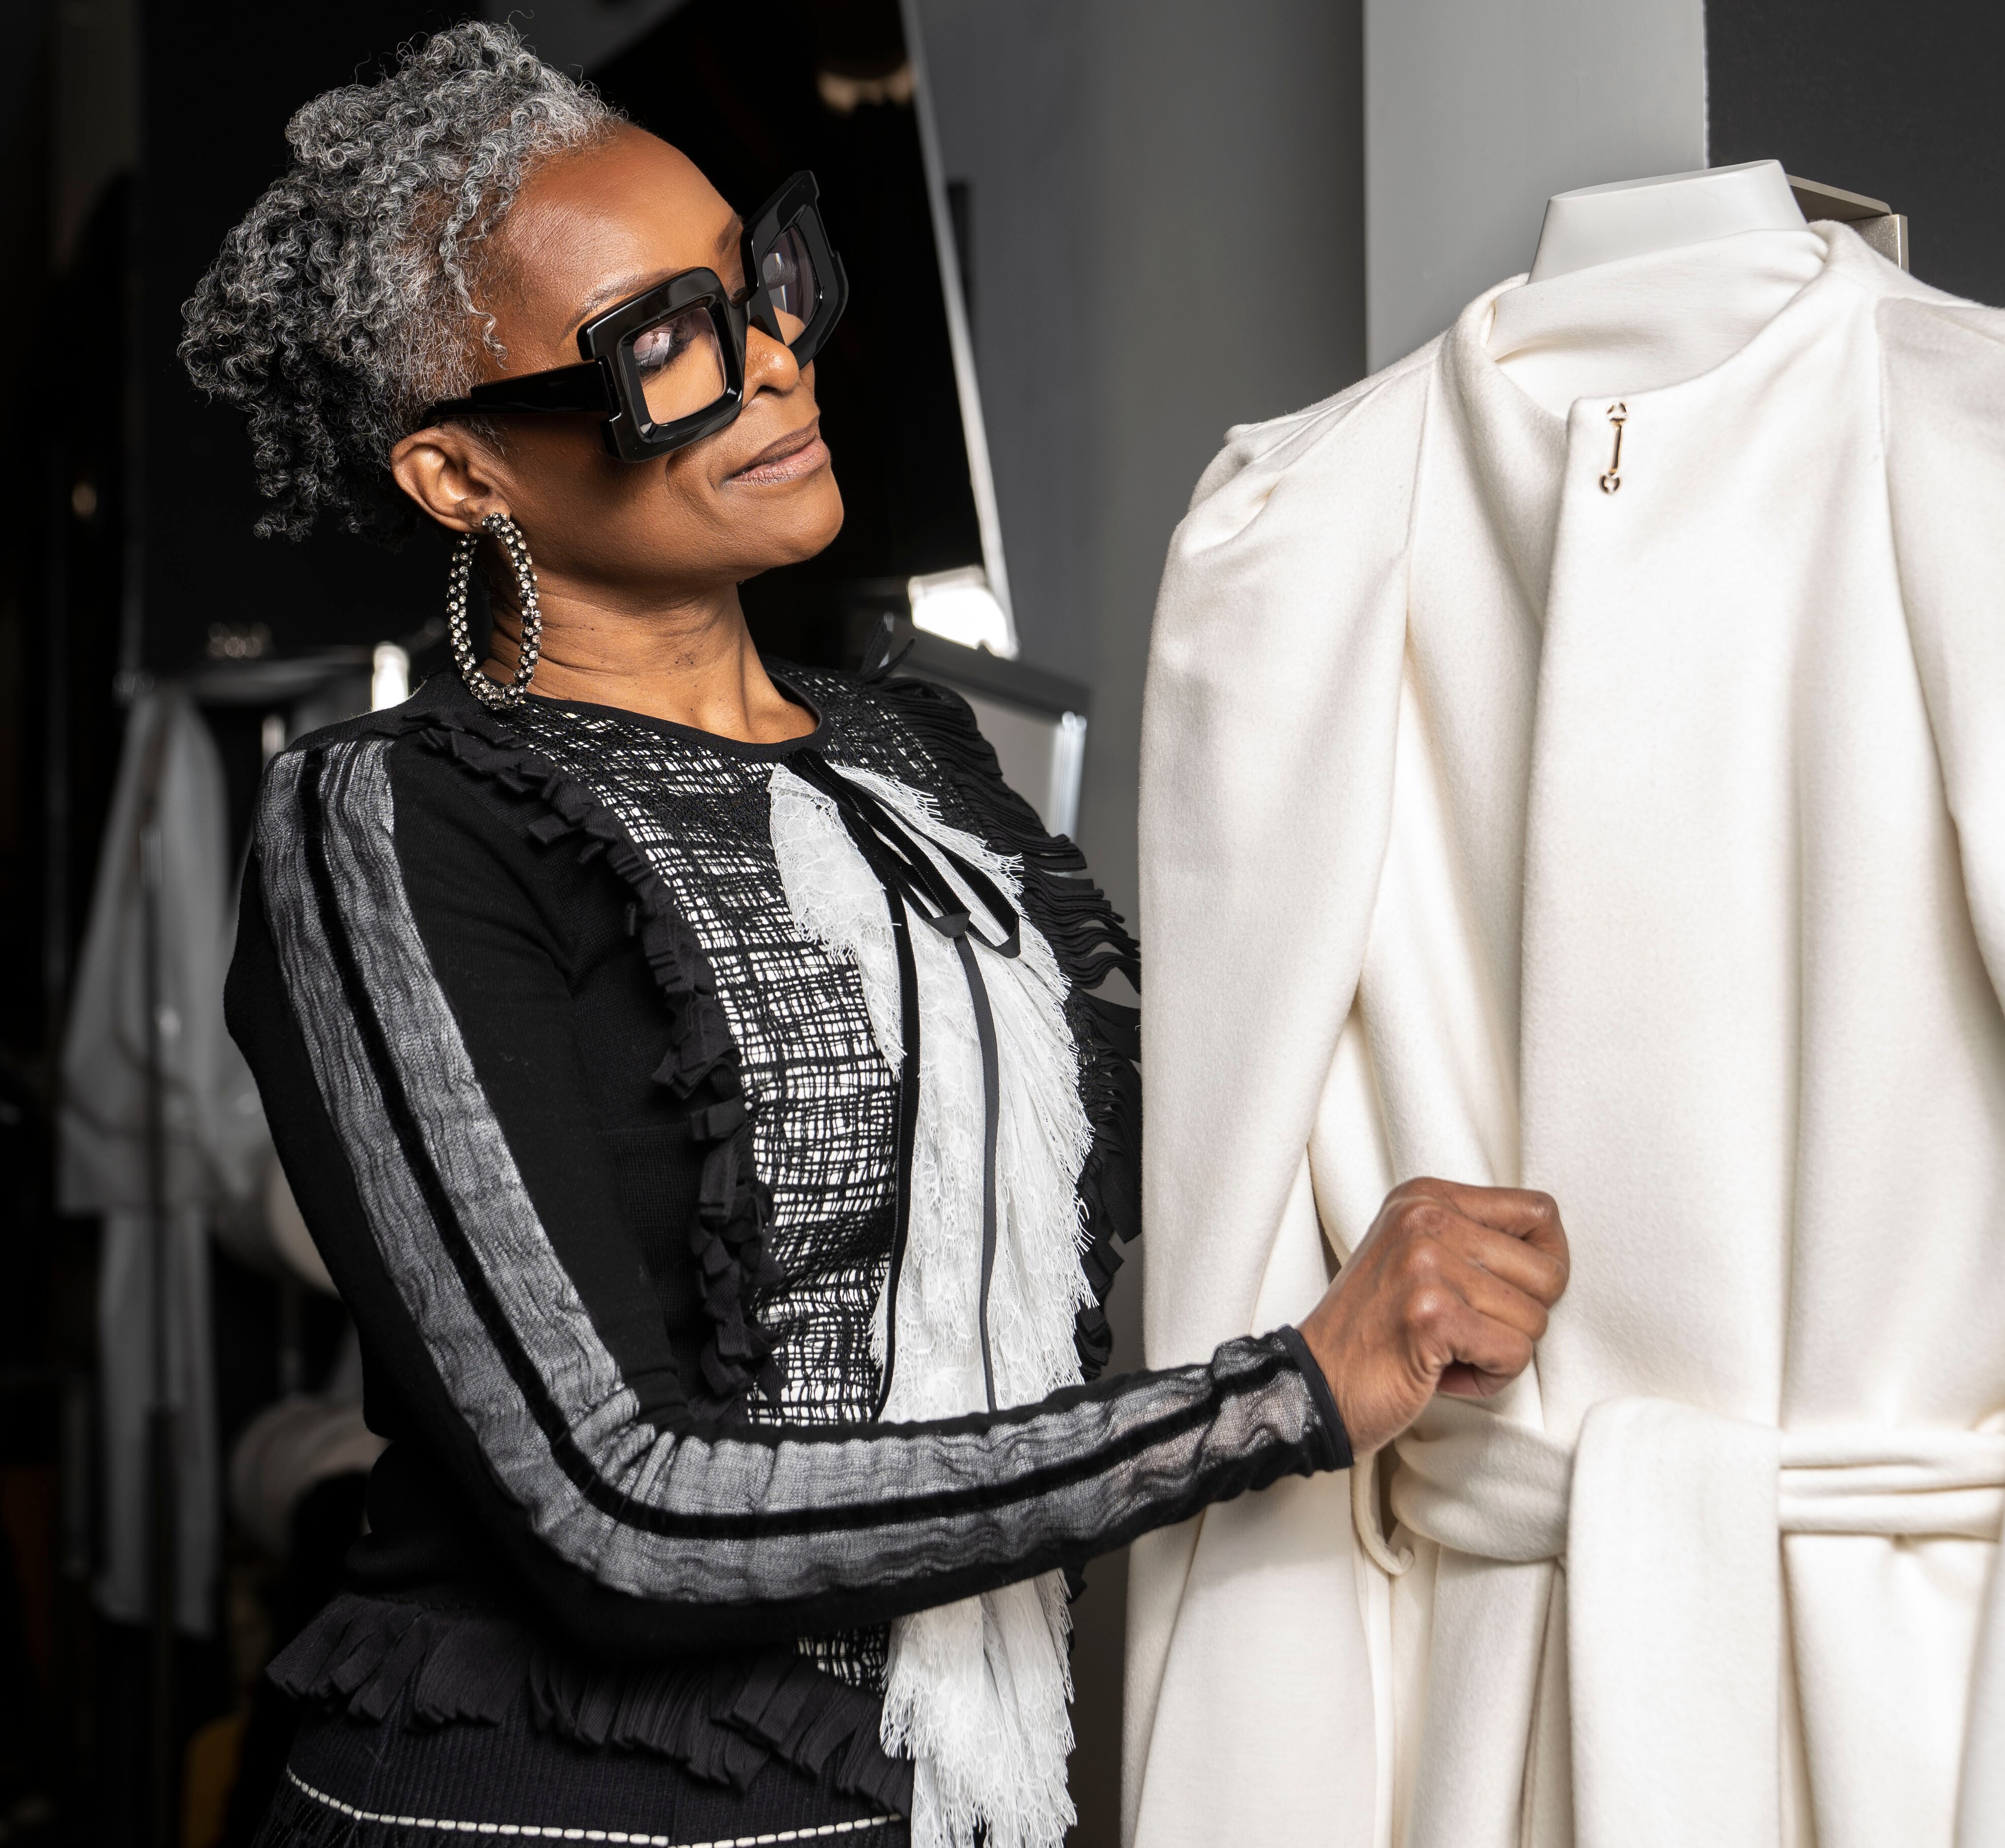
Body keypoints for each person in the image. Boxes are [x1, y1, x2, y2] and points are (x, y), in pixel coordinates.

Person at [187, 26, 1568, 1848]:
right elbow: (618, 1512)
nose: (774, 360)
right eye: (660, 345)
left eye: (758, 284)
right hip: (537, 1815)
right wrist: (1289, 1398)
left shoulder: (913, 754)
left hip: (932, 1803)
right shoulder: (392, 816)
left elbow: (1135, 1188)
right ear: (464, 479)